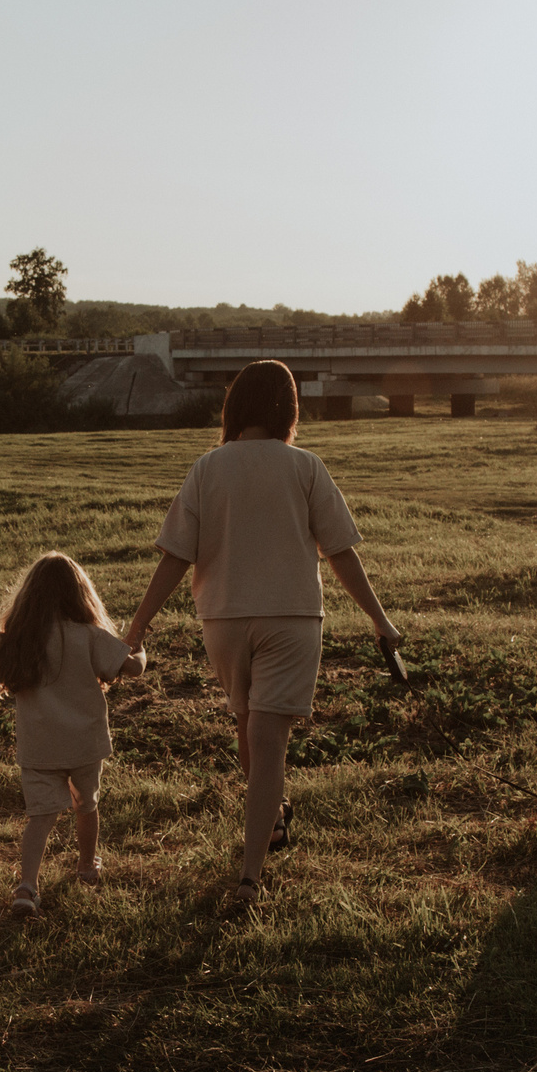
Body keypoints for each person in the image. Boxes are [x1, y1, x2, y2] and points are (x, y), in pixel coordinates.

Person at [121, 359, 401, 906]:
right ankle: (251, 877)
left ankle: (270, 825)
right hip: (292, 618)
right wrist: (379, 618)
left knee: (251, 731)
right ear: (290, 410)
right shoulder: (305, 466)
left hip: (223, 621)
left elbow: (176, 556)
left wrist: (138, 624)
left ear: (235, 408)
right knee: (268, 743)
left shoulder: (208, 467)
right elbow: (340, 552)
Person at [0, 552, 145, 918]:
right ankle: (87, 867)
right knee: (86, 804)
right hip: (85, 743)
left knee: (39, 818)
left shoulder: (17, 640)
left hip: (39, 747)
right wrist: (141, 648)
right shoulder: (89, 635)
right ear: (80, 595)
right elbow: (133, 668)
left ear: (29, 595)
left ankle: (27, 887)